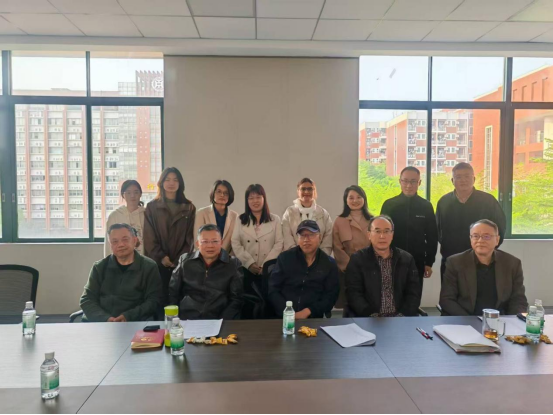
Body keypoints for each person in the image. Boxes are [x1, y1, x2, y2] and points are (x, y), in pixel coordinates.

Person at [440, 220, 528, 317]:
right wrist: (470, 320)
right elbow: (447, 299)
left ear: (497, 240)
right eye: (475, 236)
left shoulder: (512, 263)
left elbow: (518, 299)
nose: (480, 240)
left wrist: (511, 320)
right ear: (470, 239)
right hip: (465, 319)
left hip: (500, 320)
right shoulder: (455, 262)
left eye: (486, 236)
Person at [436, 163, 506, 280]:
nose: (463, 180)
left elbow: (500, 228)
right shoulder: (444, 202)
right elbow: (438, 229)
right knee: (450, 290)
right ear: (452, 180)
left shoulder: (488, 201)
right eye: (458, 177)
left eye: (467, 176)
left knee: (480, 290)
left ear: (473, 179)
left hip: (481, 259)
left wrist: (488, 250)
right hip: (451, 257)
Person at [80, 223, 162, 323]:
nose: (120, 245)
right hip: (102, 323)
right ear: (110, 245)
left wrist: (127, 316)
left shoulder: (149, 267)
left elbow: (153, 301)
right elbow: (87, 299)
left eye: (125, 239)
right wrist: (106, 319)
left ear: (135, 240)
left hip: (134, 322)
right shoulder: (100, 267)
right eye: (115, 241)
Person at [346, 216, 421, 317]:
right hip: (369, 319)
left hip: (400, 318)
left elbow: (413, 293)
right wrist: (370, 314)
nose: (382, 236)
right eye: (377, 231)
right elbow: (353, 293)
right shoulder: (358, 259)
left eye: (386, 231)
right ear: (369, 235)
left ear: (392, 234)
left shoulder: (406, 259)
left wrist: (403, 315)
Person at [144, 167, 196, 308]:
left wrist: (179, 259)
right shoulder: (152, 207)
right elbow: (148, 236)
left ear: (180, 183)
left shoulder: (189, 207)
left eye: (175, 180)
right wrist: (161, 257)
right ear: (161, 183)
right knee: (158, 301)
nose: (171, 183)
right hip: (157, 263)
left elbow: (190, 237)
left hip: (181, 264)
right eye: (167, 180)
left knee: (179, 300)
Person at [169, 224, 244, 320]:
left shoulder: (233, 264)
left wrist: (222, 321)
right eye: (205, 242)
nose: (210, 246)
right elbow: (173, 293)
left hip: (220, 319)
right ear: (197, 244)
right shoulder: (185, 261)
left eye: (215, 241)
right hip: (188, 318)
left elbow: (236, 299)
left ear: (221, 242)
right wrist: (177, 319)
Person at [381, 167, 439, 292]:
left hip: (417, 260)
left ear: (419, 182)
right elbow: (381, 234)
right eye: (405, 181)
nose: (409, 185)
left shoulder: (426, 206)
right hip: (392, 259)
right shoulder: (389, 205)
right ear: (400, 181)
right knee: (392, 295)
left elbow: (432, 236)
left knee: (414, 295)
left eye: (413, 181)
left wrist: (429, 262)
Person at [269, 220, 339, 319]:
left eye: (311, 235)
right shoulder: (285, 258)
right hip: (283, 315)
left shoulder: (329, 264)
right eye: (302, 235)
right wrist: (287, 311)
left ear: (320, 237)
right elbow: (273, 289)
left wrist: (309, 311)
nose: (306, 239)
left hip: (313, 317)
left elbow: (330, 296)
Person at [231, 184, 283, 295]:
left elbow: (279, 243)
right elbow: (235, 242)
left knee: (269, 299)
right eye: (251, 198)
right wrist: (249, 263)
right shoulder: (240, 219)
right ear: (247, 201)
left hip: (270, 270)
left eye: (258, 197)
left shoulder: (275, 219)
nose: (255, 201)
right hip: (246, 269)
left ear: (264, 198)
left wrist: (266, 265)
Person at [332, 185, 372, 308]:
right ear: (346, 200)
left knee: (368, 303)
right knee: (349, 304)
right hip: (347, 270)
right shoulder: (339, 221)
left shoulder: (372, 220)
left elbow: (376, 245)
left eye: (359, 197)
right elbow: (337, 247)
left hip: (369, 269)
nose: (355, 200)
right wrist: (351, 266)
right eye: (351, 198)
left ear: (364, 199)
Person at [282, 178, 333, 255]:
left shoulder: (323, 213)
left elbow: (328, 238)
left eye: (310, 189)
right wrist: (296, 256)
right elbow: (287, 238)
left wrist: (319, 258)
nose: (306, 192)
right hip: (294, 257)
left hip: (319, 258)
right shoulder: (290, 213)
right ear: (298, 191)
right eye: (303, 189)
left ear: (314, 192)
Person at [194, 180, 238, 254]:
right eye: (219, 192)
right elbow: (197, 240)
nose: (222, 195)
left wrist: (228, 258)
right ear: (213, 193)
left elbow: (236, 243)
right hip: (205, 257)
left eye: (226, 193)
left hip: (227, 258)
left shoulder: (235, 216)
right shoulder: (202, 213)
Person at [104, 180, 145, 257]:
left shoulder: (147, 215)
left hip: (143, 260)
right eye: (128, 193)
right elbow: (109, 243)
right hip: (120, 259)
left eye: (136, 192)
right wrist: (109, 262)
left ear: (140, 194)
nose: (132, 195)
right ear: (123, 195)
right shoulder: (114, 216)